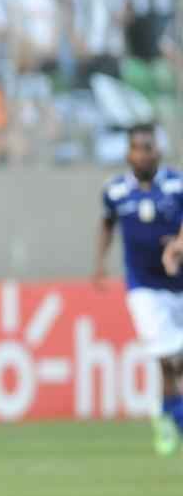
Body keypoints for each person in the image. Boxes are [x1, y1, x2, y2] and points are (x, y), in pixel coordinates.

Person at [100, 125, 183, 455]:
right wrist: (99, 262)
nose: (143, 153)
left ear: (158, 152)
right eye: (137, 148)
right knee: (168, 355)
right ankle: (174, 418)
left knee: (171, 363)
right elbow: (106, 223)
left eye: (148, 147)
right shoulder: (116, 191)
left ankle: (164, 412)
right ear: (127, 154)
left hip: (178, 285)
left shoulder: (177, 184)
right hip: (144, 288)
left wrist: (177, 245)